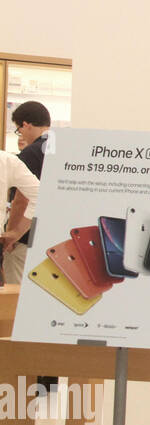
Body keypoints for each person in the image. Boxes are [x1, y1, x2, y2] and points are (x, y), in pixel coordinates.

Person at [3, 100, 51, 286]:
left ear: (25, 124)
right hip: (48, 235)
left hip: (24, 237)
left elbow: (22, 199)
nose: (21, 135)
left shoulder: (31, 153)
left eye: (19, 130)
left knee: (14, 291)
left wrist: (13, 233)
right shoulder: (60, 147)